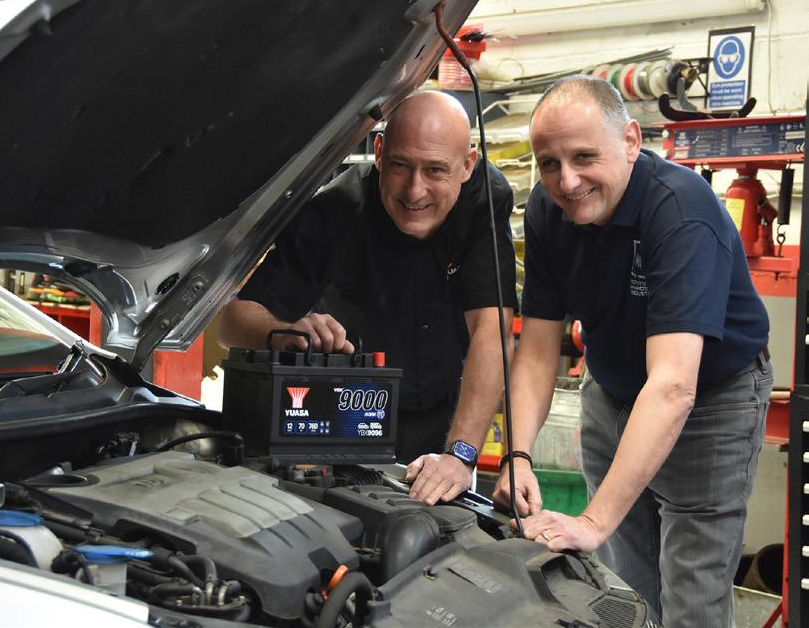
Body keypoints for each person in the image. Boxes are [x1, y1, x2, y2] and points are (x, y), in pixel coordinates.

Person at [493, 74, 771, 626]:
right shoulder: (548, 210)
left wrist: (592, 522)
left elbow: (673, 385)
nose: (567, 180)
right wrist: (517, 454)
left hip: (710, 401)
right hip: (613, 390)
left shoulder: (680, 209)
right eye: (549, 163)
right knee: (626, 591)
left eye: (584, 157)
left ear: (630, 141)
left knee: (692, 596)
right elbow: (538, 350)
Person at [217, 90, 516, 504]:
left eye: (435, 170)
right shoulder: (334, 212)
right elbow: (231, 323)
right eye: (400, 165)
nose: (415, 190)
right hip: (347, 425)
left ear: (467, 165)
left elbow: (492, 329)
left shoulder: (486, 199)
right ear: (378, 152)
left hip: (447, 422)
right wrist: (282, 333)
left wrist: (460, 454)